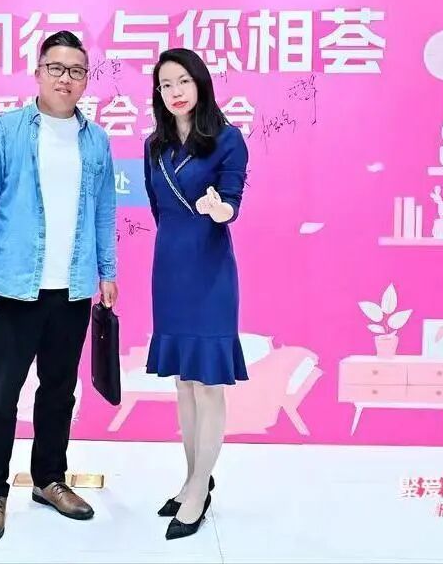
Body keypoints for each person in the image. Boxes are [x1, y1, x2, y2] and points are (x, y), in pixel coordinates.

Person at [0, 30, 119, 543]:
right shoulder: (4, 131)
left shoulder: (95, 140)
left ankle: (49, 479)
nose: (65, 79)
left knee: (58, 391)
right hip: (12, 289)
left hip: (72, 290)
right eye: (56, 68)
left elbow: (104, 211)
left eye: (76, 71)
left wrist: (107, 271)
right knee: (0, 394)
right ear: (38, 72)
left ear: (86, 80)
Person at [143, 48, 249, 541]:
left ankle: (199, 487)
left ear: (201, 83)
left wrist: (217, 209)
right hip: (169, 270)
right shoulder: (154, 146)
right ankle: (193, 481)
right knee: (184, 384)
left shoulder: (228, 140)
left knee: (207, 384)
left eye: (183, 81)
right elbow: (158, 210)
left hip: (210, 272)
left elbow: (232, 204)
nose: (176, 92)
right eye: (166, 85)